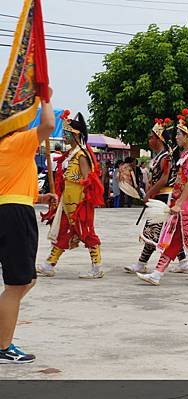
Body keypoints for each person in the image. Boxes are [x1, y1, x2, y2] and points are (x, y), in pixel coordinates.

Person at [0, 88, 55, 363]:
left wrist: (41, 197)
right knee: (17, 284)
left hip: (11, 208)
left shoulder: (6, 147)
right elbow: (47, 124)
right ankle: (2, 346)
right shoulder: (17, 142)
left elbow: (12, 185)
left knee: (24, 281)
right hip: (14, 215)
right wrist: (45, 97)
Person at [136, 109, 188, 288]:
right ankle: (157, 274)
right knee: (173, 241)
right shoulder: (185, 155)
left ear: (187, 136)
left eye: (179, 134)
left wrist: (179, 203)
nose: (177, 137)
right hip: (182, 203)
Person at [37, 111, 105, 279]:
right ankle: (48, 264)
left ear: (75, 135)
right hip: (67, 202)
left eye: (67, 134)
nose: (64, 137)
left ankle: (97, 267)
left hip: (79, 203)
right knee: (63, 232)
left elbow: (89, 179)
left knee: (86, 233)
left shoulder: (82, 155)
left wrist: (73, 179)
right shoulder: (70, 155)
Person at [124, 118, 188, 275]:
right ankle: (184, 262)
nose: (149, 139)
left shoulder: (165, 156)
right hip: (160, 196)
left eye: (152, 137)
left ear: (159, 139)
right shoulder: (160, 155)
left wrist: (149, 192)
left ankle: (141, 263)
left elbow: (165, 179)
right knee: (166, 232)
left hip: (165, 196)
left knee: (154, 230)